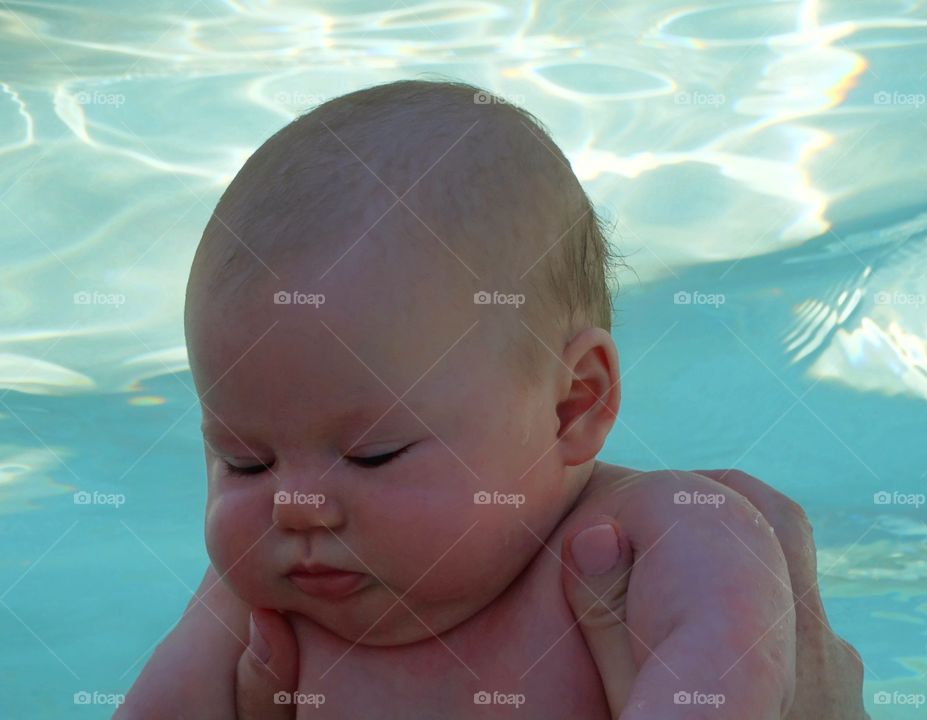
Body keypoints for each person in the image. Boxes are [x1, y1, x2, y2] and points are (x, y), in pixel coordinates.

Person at [118, 79, 868, 718]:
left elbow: (727, 678)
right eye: (243, 462)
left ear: (572, 404)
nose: (295, 506)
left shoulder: (654, 539)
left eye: (372, 454)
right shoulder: (253, 612)